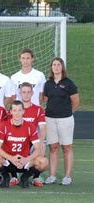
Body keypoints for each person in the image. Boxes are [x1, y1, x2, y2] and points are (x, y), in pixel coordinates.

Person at [0, 101, 48, 188]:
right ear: (10, 112)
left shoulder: (30, 126)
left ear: (23, 111)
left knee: (43, 162)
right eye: (15, 110)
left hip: (24, 160)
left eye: (20, 110)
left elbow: (37, 148)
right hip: (9, 161)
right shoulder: (4, 125)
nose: (17, 113)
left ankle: (25, 177)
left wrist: (26, 159)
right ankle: (5, 176)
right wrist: (11, 158)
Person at [43, 58, 79, 186]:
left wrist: (67, 114)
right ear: (51, 67)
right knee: (53, 147)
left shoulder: (69, 83)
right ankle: (52, 176)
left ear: (62, 67)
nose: (56, 67)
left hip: (65, 119)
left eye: (58, 65)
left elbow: (75, 102)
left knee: (66, 147)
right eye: (54, 65)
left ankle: (67, 176)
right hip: (50, 119)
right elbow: (45, 100)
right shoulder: (48, 84)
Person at [9, 82, 47, 187]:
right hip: (16, 140)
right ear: (20, 93)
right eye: (23, 92)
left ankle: (35, 177)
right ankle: (14, 176)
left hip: (31, 141)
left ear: (32, 93)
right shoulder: (15, 108)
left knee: (42, 146)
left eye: (28, 92)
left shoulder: (38, 109)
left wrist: (40, 141)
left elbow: (42, 128)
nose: (26, 94)